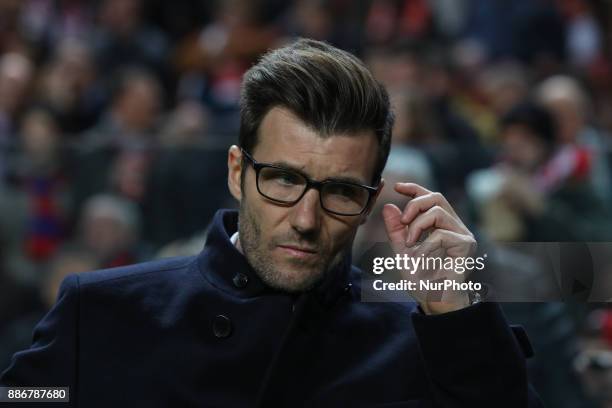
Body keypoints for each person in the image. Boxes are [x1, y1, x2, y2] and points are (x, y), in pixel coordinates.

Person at [1, 39, 542, 407]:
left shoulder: (425, 338)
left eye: (340, 191)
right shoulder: (101, 312)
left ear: (373, 198)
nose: (306, 220)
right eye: (283, 179)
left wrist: (461, 317)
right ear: (237, 171)